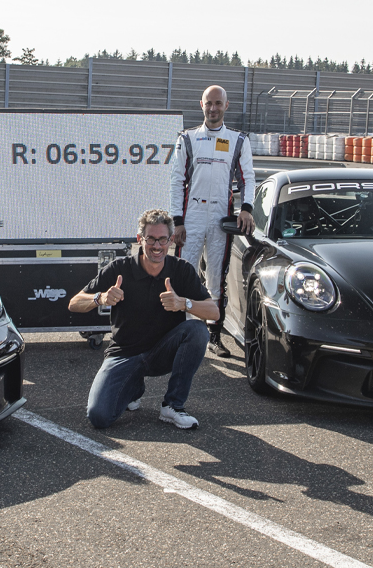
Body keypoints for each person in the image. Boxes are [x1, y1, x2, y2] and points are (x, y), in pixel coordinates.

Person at [69, 209, 218, 430]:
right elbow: (74, 303)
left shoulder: (181, 270)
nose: (157, 246)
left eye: (162, 240)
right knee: (99, 416)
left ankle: (173, 406)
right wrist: (101, 298)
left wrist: (184, 303)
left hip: (162, 352)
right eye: (151, 239)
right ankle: (133, 388)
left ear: (171, 241)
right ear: (140, 239)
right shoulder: (120, 268)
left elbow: (214, 312)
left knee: (197, 331)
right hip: (125, 353)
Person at [170, 85, 255, 358]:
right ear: (201, 104)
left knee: (217, 278)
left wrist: (246, 209)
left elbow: (248, 179)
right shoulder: (187, 138)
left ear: (226, 106)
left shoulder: (238, 140)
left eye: (218, 103)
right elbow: (176, 180)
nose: (214, 108)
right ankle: (177, 333)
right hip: (191, 216)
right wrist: (177, 220)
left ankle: (214, 335)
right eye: (209, 103)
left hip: (221, 216)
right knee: (183, 274)